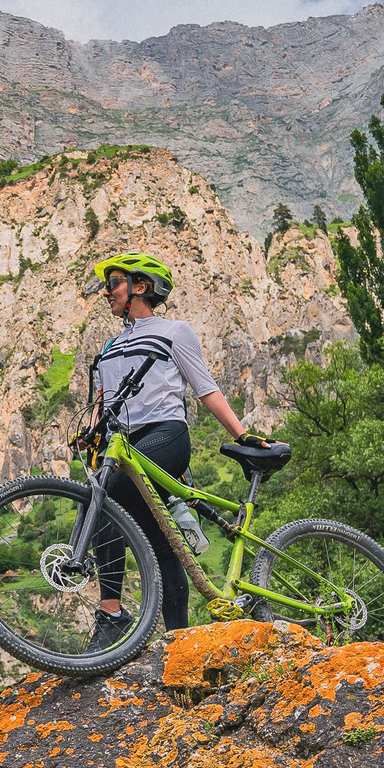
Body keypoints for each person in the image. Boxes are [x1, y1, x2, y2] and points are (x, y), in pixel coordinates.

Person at [85, 252, 249, 648]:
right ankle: (177, 639)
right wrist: (90, 432)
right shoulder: (110, 345)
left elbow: (205, 388)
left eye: (113, 283)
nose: (105, 292)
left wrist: (243, 437)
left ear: (139, 287)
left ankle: (113, 614)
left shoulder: (175, 330)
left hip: (165, 434)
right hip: (120, 443)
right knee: (161, 539)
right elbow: (105, 402)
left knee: (106, 498)